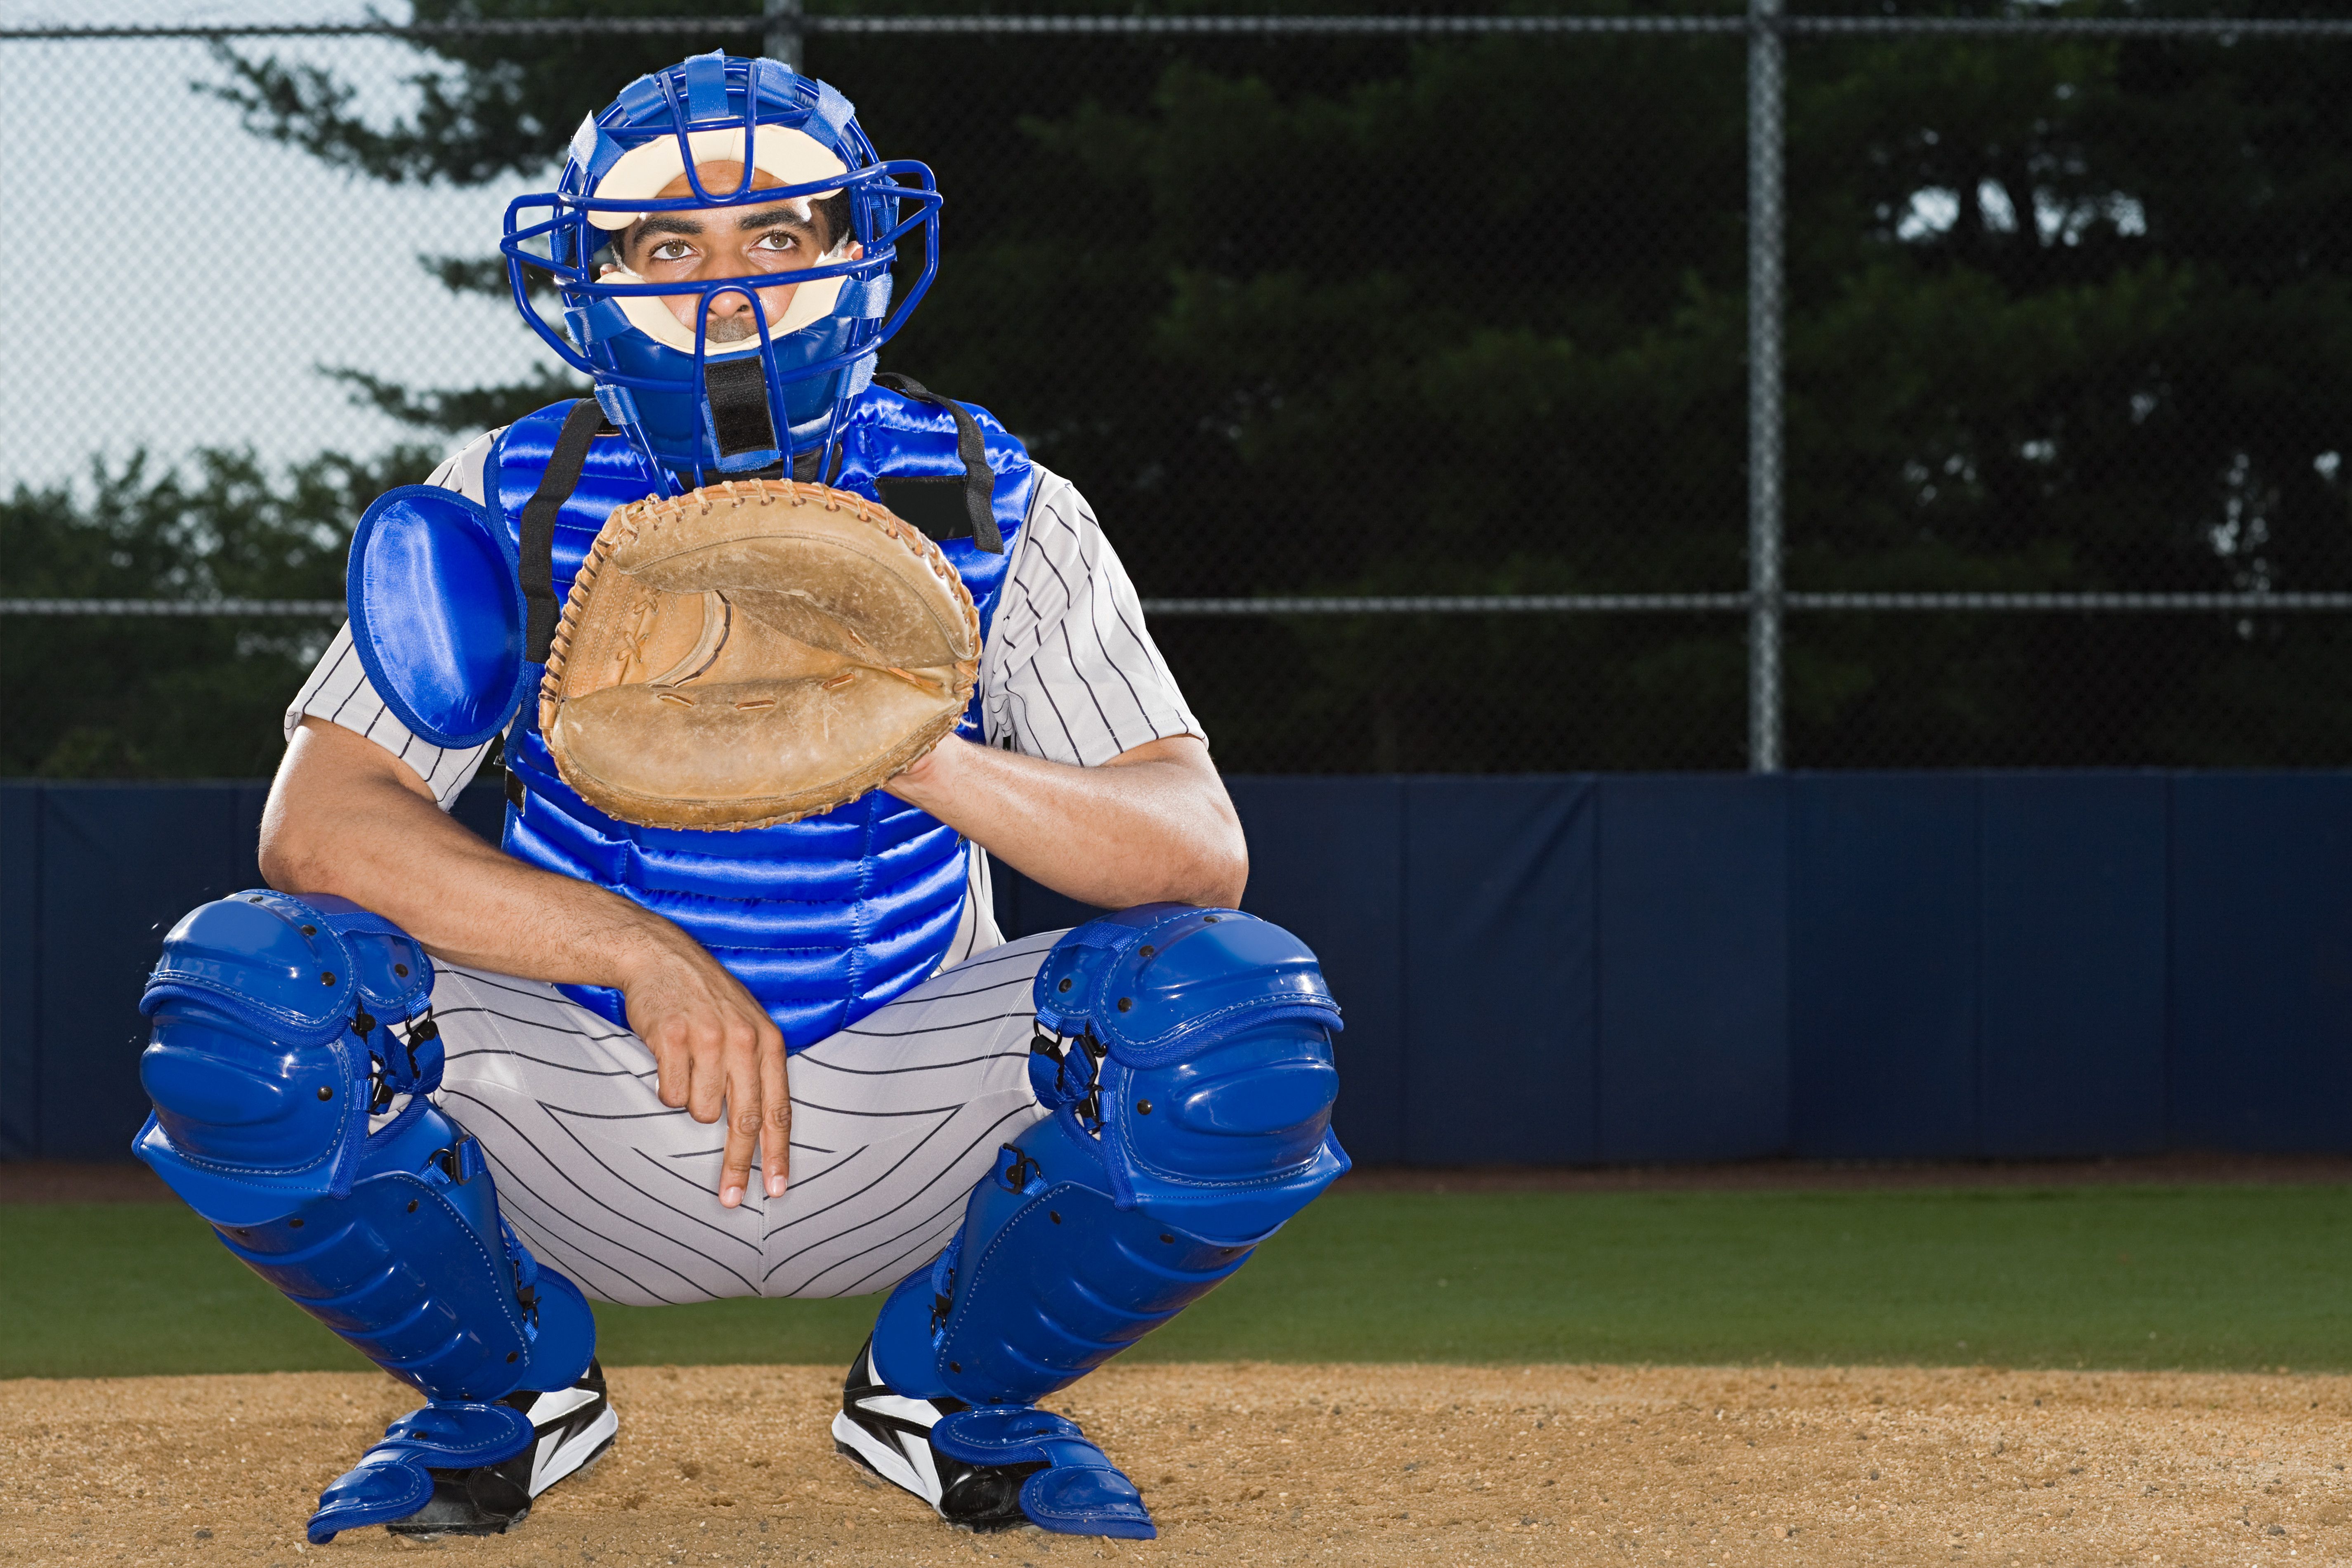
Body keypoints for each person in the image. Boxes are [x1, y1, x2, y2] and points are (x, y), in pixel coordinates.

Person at [130, 49, 1347, 1546]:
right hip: (582, 1099)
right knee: (248, 992)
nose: (726, 288)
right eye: (667, 247)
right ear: (593, 276)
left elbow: (1195, 852)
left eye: (778, 236)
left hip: (916, 1099)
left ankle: (953, 1398)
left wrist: (905, 741)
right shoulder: (513, 487)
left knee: (1236, 1015)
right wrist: (637, 953)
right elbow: (321, 822)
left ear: (856, 251)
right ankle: (499, 1396)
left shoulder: (987, 492)